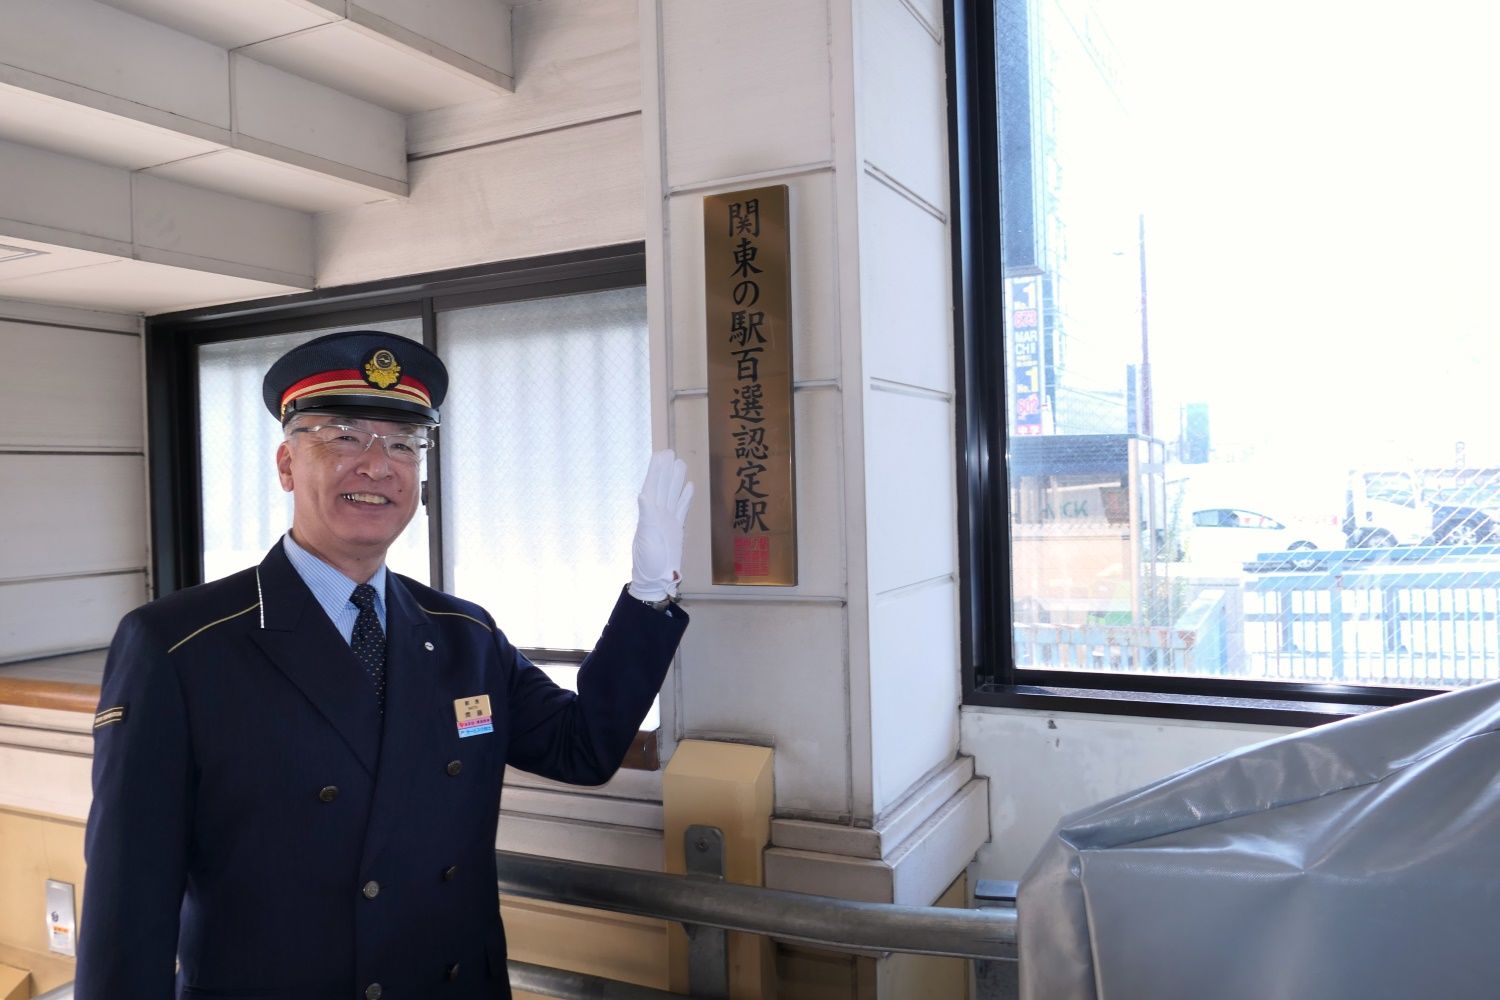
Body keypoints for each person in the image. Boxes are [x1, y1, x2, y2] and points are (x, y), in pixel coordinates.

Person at [76, 330, 692, 1000]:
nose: (378, 465)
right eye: (343, 436)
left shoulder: (464, 635)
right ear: (286, 464)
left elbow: (584, 748)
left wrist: (649, 593)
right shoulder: (180, 646)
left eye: (404, 443)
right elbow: (128, 901)